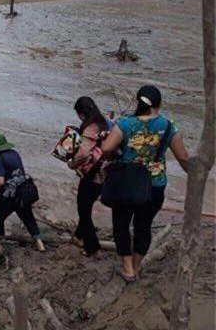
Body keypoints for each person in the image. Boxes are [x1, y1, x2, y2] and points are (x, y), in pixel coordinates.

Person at [101, 85, 189, 282]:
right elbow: (183, 156)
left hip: (126, 183)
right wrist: (192, 174)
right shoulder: (168, 126)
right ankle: (137, 264)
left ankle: (128, 268)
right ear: (159, 104)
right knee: (144, 226)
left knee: (121, 226)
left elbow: (106, 148)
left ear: (138, 102)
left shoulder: (125, 124)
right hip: (155, 185)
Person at [0, 133, 46, 252]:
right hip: (24, 191)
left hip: (10, 195)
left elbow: (1, 182)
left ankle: (0, 240)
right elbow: (14, 172)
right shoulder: (15, 154)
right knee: (28, 217)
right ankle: (40, 243)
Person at [69, 96, 109, 257]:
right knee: (87, 205)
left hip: (92, 175)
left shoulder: (90, 128)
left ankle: (93, 247)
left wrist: (72, 163)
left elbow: (84, 153)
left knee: (83, 209)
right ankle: (78, 236)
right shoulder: (104, 124)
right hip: (105, 173)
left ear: (81, 113)